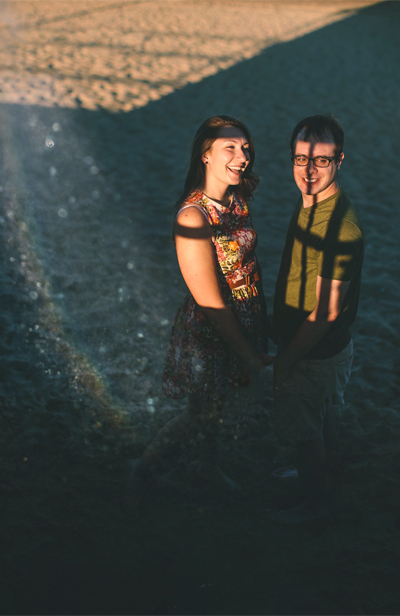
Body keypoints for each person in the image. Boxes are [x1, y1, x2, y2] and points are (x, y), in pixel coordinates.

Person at [127, 115, 273, 504]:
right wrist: (252, 356)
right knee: (199, 413)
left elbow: (248, 265)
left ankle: (207, 468)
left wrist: (259, 321)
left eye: (245, 148)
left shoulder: (236, 200)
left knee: (216, 407)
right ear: (205, 155)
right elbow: (211, 302)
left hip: (244, 318)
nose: (242, 156)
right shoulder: (193, 216)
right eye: (230, 148)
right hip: (211, 331)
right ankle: (141, 472)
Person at [270, 114, 364, 523]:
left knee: (307, 432)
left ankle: (315, 505)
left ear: (339, 161)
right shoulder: (310, 200)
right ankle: (323, 479)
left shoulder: (340, 228)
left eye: (321, 160)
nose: (308, 170)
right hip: (318, 348)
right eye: (300, 159)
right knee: (324, 420)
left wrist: (286, 360)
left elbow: (326, 310)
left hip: (314, 352)